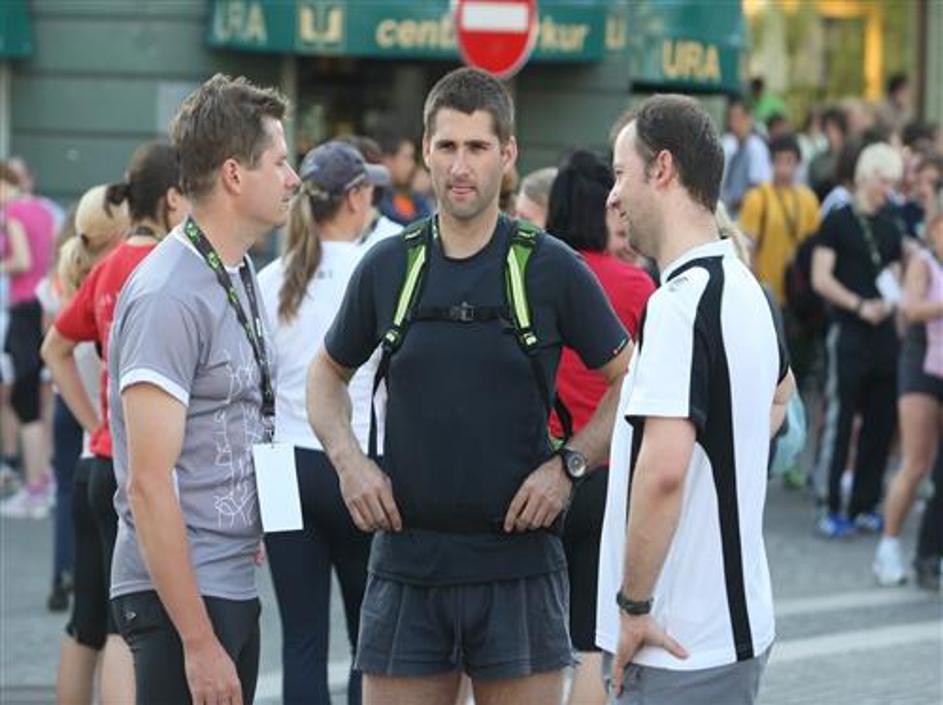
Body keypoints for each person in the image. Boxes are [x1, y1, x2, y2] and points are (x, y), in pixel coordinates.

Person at [307, 67, 630, 705]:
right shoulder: (389, 264)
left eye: (477, 147)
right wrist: (349, 463)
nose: (460, 166)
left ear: (507, 155)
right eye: (448, 146)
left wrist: (568, 467)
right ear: (426, 151)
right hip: (408, 567)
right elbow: (325, 375)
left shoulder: (550, 265)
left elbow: (630, 378)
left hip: (519, 569)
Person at [107, 74, 299, 705]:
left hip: (229, 582)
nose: (293, 179)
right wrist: (197, 640)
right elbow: (147, 483)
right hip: (182, 602)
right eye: (280, 162)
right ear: (235, 175)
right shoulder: (168, 293)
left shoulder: (237, 271)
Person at [597, 94, 794, 705]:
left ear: (662, 169)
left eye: (620, 174)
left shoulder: (679, 305)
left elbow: (663, 473)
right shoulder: (746, 287)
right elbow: (780, 397)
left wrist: (633, 608)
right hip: (732, 631)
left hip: (679, 644)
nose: (614, 196)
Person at [43, 144, 186, 704]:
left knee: (87, 623)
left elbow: (54, 348)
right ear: (172, 199)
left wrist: (92, 422)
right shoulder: (163, 266)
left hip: (97, 461)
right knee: (129, 626)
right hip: (130, 467)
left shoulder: (106, 268)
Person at [257, 140, 389, 705]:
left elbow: (257, 388)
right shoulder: (377, 271)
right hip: (358, 459)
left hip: (281, 466)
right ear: (356, 198)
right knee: (368, 639)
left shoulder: (270, 278)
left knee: (301, 639)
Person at [543, 149, 654, 705]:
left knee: (527, 634)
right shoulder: (635, 286)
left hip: (535, 475)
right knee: (591, 638)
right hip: (606, 472)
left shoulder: (532, 274)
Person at [811, 142, 905, 538]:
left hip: (884, 335)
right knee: (841, 417)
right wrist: (858, 305)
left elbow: (895, 271)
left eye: (892, 182)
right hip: (848, 331)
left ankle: (865, 504)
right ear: (866, 176)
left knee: (880, 421)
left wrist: (888, 303)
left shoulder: (891, 223)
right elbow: (820, 277)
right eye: (883, 180)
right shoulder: (838, 220)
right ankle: (831, 504)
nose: (887, 189)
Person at [873, 213, 943, 585]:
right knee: (916, 463)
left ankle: (930, 556)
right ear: (936, 226)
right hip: (921, 369)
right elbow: (911, 309)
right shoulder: (923, 262)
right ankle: (888, 546)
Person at [0, 160, 57, 519]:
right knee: (39, 394)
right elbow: (50, 257)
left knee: (25, 401)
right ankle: (43, 479)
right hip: (40, 306)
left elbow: (21, 260)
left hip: (23, 308)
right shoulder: (43, 209)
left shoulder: (13, 212)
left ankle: (35, 486)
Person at [739, 133, 821, 307]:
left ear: (798, 163)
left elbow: (815, 247)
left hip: (799, 295)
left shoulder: (809, 200)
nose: (784, 169)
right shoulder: (757, 198)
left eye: (789, 161)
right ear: (771, 163)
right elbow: (747, 248)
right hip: (766, 294)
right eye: (779, 161)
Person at [720, 96, 772, 218]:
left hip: (748, 216)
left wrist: (733, 203)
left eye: (738, 117)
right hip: (730, 214)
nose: (733, 123)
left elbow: (758, 187)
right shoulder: (730, 145)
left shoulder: (757, 148)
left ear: (750, 119)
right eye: (731, 118)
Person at [375, 127, 432, 226]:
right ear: (388, 161)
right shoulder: (377, 195)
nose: (412, 165)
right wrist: (419, 195)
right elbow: (412, 228)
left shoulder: (395, 193)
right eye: (406, 158)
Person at [808, 108, 850, 203]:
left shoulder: (851, 156)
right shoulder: (817, 161)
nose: (830, 134)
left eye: (835, 129)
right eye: (828, 130)